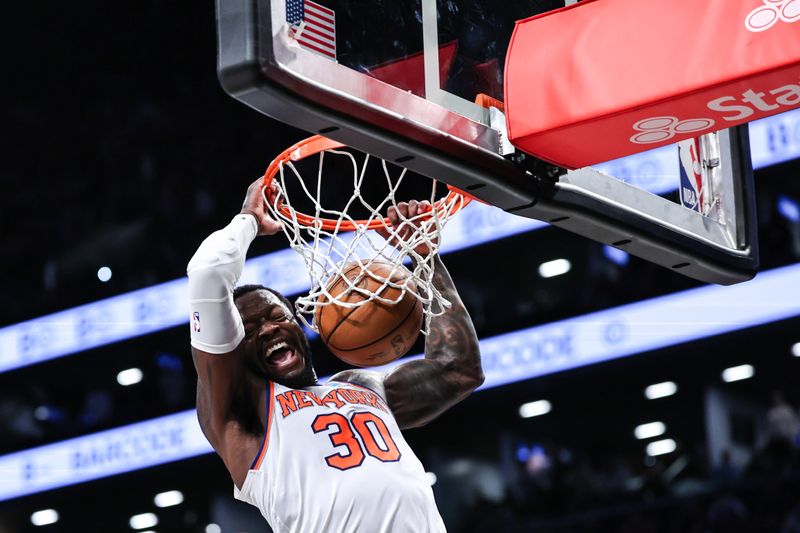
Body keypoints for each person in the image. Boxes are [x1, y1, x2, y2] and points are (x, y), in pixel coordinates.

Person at [187, 177, 484, 532]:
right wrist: (248, 220)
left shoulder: (363, 386)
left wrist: (425, 258)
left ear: (301, 326)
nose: (268, 329)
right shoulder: (243, 410)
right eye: (250, 330)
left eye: (277, 317)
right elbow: (207, 274)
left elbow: (459, 369)